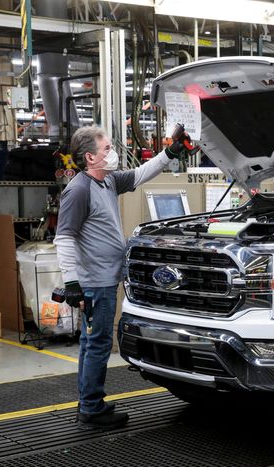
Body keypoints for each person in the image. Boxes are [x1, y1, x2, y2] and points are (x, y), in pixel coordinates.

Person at [54, 125, 189, 429]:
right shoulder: (79, 190)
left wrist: (169, 153)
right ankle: (91, 409)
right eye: (106, 149)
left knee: (92, 343)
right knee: (98, 344)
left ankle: (88, 403)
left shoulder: (108, 181)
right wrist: (72, 282)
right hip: (94, 283)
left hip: (105, 278)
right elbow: (64, 238)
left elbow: (141, 174)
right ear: (90, 157)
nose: (112, 153)